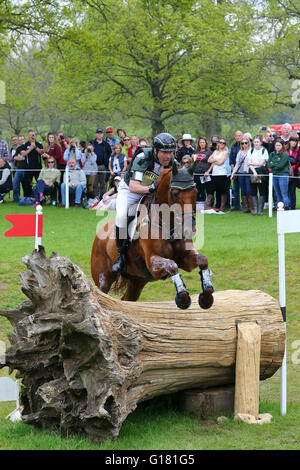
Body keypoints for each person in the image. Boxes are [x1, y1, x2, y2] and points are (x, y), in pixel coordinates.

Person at [113, 132, 176, 273]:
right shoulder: (143, 157)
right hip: (130, 191)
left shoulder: (172, 161)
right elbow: (134, 186)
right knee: (122, 216)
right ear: (155, 150)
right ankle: (121, 255)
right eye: (164, 152)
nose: (168, 156)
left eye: (171, 152)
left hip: (151, 193)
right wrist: (152, 187)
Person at [247, 135, 268, 215]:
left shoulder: (264, 151)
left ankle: (260, 210)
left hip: (261, 171)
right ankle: (255, 209)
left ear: (261, 142)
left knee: (262, 190)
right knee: (253, 190)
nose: (256, 143)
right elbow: (249, 163)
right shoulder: (250, 151)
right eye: (255, 142)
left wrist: (252, 163)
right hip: (252, 171)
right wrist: (254, 172)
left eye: (257, 142)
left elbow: (261, 163)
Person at [230, 136, 252, 213]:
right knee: (243, 190)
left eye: (246, 143)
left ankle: (251, 207)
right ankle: (245, 207)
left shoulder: (251, 151)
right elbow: (237, 164)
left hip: (248, 173)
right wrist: (233, 173)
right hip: (240, 173)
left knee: (249, 190)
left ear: (248, 143)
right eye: (242, 143)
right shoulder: (239, 152)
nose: (244, 144)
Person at [267, 139, 290, 210]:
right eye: (276, 145)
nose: (278, 147)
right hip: (274, 175)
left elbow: (281, 165)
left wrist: (273, 164)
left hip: (283, 175)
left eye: (279, 145)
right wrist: (274, 164)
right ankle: (280, 208)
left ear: (282, 146)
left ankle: (286, 207)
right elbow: (268, 165)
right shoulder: (272, 154)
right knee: (277, 193)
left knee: (284, 193)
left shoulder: (285, 154)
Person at [208, 137, 229, 213]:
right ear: (218, 143)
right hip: (214, 174)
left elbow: (221, 163)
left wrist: (214, 161)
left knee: (222, 191)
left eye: (224, 143)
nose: (222, 144)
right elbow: (209, 160)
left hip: (222, 174)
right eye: (220, 142)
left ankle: (222, 208)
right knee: (211, 191)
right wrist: (215, 162)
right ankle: (209, 207)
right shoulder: (215, 151)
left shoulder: (225, 152)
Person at [20, 130, 44, 196]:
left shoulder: (39, 144)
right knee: (27, 184)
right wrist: (30, 148)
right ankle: (27, 198)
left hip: (38, 168)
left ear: (35, 136)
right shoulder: (24, 145)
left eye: (33, 135)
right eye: (30, 135)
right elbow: (23, 154)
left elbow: (42, 153)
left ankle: (41, 198)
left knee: (40, 183)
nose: (32, 136)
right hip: (28, 168)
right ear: (28, 136)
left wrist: (35, 147)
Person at [90, 128, 112, 197]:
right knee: (95, 183)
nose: (99, 135)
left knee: (103, 183)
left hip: (103, 166)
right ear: (96, 134)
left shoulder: (106, 144)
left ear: (103, 134)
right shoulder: (92, 143)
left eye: (101, 133)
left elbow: (109, 156)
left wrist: (107, 166)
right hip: (93, 166)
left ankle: (103, 198)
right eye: (98, 133)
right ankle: (95, 198)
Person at [193, 137, 212, 203]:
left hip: (205, 174)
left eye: (203, 142)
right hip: (196, 173)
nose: (202, 144)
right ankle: (197, 206)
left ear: (206, 143)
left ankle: (205, 205)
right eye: (200, 142)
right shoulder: (195, 151)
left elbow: (212, 163)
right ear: (198, 143)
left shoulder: (209, 152)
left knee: (204, 190)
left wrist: (208, 171)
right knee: (197, 190)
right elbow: (193, 163)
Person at [229, 130, 243, 211]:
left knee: (244, 189)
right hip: (234, 170)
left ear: (242, 136)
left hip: (242, 171)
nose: (238, 137)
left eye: (239, 136)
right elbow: (231, 158)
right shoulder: (233, 146)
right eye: (236, 136)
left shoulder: (244, 145)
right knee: (236, 188)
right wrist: (233, 168)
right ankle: (236, 206)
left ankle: (244, 205)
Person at [12, 135, 28, 201]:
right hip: (18, 169)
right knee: (15, 185)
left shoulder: (27, 147)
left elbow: (25, 157)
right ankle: (16, 199)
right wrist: (20, 157)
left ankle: (25, 198)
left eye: (22, 139)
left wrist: (21, 157)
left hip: (26, 169)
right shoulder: (19, 148)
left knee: (25, 185)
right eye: (20, 140)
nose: (21, 141)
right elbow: (14, 157)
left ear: (24, 140)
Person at [286, 136, 300, 210]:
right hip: (285, 173)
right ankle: (287, 205)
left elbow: (298, 162)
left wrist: (292, 168)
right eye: (292, 141)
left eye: (295, 141)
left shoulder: (298, 150)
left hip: (295, 173)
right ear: (289, 141)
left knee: (292, 191)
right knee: (286, 191)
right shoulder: (285, 150)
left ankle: (292, 206)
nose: (294, 142)